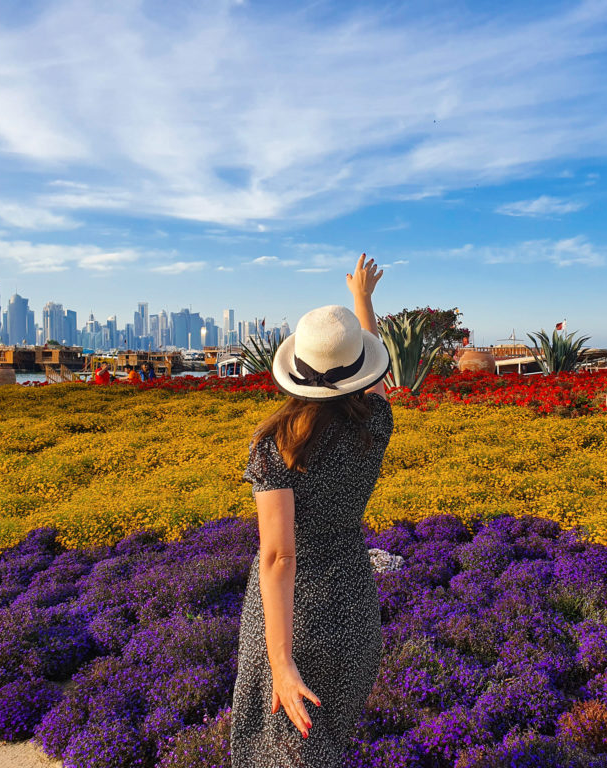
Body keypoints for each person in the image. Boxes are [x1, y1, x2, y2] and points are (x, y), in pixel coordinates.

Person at [231, 254, 391, 767]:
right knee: (325, 745)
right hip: (353, 601)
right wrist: (362, 300)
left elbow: (278, 556)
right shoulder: (376, 420)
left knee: (276, 748)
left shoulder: (275, 443)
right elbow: (375, 378)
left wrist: (280, 662)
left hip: (292, 617)